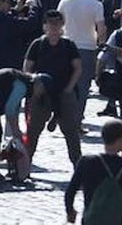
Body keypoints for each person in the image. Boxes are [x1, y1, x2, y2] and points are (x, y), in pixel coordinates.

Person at [23, 10, 82, 165]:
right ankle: (24, 165)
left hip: (64, 93)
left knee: (72, 133)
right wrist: (35, 86)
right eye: (51, 23)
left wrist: (69, 88)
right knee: (32, 131)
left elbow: (77, 68)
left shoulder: (69, 45)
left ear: (62, 25)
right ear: (45, 26)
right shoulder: (37, 45)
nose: (54, 26)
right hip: (41, 94)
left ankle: (79, 167)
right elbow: (27, 69)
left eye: (57, 23)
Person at [57, 0, 105, 121]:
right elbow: (101, 28)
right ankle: (76, 119)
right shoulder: (97, 5)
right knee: (83, 85)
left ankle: (60, 114)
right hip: (87, 47)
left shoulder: (65, 1)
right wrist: (100, 43)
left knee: (64, 80)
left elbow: (58, 21)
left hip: (66, 44)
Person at [63, 118, 122, 223]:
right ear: (121, 139)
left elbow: (70, 191)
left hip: (91, 219)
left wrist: (70, 211)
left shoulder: (87, 161)